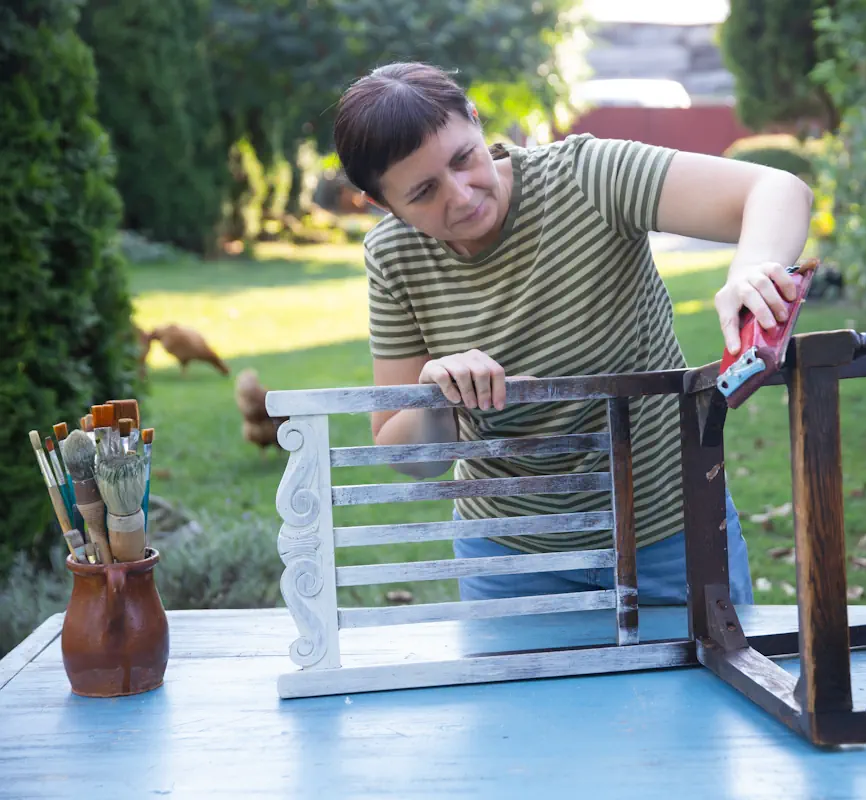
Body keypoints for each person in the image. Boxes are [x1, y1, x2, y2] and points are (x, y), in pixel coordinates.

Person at [332, 62, 815, 606]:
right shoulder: (394, 255)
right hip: (508, 558)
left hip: (670, 533)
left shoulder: (586, 177)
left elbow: (776, 190)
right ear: (382, 205)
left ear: (474, 118)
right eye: (423, 192)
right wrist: (435, 394)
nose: (462, 197)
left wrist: (752, 269)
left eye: (463, 159)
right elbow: (408, 455)